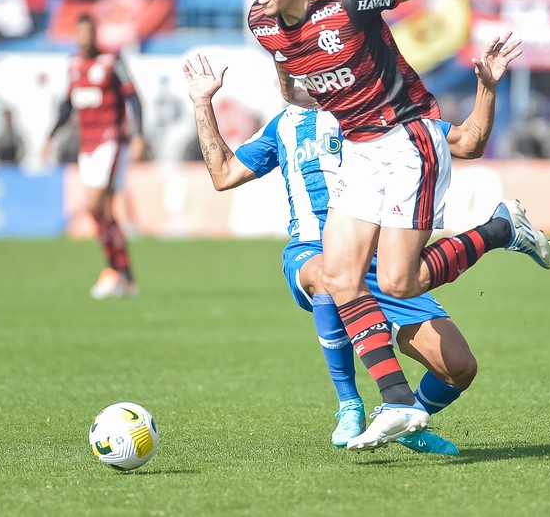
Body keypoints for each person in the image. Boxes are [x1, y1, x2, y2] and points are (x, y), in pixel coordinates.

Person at [246, 0, 550, 449]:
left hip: (408, 138)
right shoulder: (262, 22)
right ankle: (396, 401)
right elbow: (292, 82)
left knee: (399, 281)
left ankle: (501, 229)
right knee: (338, 277)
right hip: (359, 147)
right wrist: (316, 93)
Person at [184, 32, 524, 454]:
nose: (297, 74)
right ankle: (350, 404)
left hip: (381, 257)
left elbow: (469, 142)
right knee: (331, 272)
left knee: (459, 367)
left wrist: (486, 87)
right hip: (312, 249)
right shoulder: (283, 126)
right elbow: (223, 174)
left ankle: (405, 421)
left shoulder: (383, 115)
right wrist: (202, 102)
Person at [42, 13, 145, 299]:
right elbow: (67, 105)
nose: (84, 38)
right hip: (86, 144)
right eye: (80, 33)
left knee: (92, 205)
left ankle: (114, 271)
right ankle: (124, 275)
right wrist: (51, 135)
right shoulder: (74, 65)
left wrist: (138, 135)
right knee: (105, 213)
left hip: (111, 141)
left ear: (95, 34)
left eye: (89, 32)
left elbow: (134, 98)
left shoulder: (112, 62)